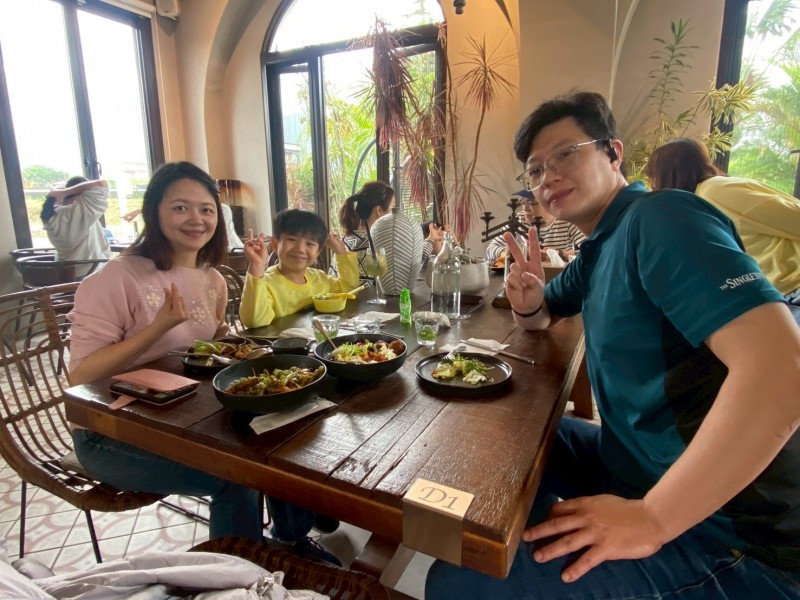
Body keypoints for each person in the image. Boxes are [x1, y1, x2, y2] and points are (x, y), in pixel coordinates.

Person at [425, 92, 800, 598]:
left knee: (460, 584)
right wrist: (528, 301)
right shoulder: (600, 247)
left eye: (565, 154)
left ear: (613, 152)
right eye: (535, 170)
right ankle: (532, 547)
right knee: (510, 440)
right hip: (635, 465)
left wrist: (653, 518)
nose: (547, 177)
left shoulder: (663, 218)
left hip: (734, 533)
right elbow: (544, 313)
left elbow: (783, 370)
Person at [67, 162, 339, 564]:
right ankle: (234, 579)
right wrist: (156, 329)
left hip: (185, 417)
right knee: (238, 476)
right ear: (154, 212)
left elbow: (209, 346)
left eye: (206, 209)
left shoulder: (212, 279)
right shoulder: (116, 277)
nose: (196, 219)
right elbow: (81, 376)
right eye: (180, 207)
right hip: (113, 432)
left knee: (290, 424)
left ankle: (289, 538)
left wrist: (238, 345)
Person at [646, 137, 800, 324]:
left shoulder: (714, 191)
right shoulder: (695, 204)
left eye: (653, 177)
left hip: (793, 288)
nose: (652, 186)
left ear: (670, 173)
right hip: (778, 294)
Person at [239, 208, 360, 328]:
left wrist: (341, 253)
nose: (300, 249)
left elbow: (349, 290)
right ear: (275, 244)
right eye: (292, 240)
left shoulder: (319, 278)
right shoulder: (267, 283)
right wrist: (257, 266)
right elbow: (255, 321)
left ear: (318, 252)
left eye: (310, 244)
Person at [484, 190, 584, 266]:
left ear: (549, 203)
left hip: (559, 277)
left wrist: (558, 254)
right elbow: (490, 250)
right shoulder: (519, 220)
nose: (525, 209)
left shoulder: (566, 220)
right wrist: (514, 252)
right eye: (523, 202)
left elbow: (589, 252)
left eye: (532, 203)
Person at [334, 181, 396, 286]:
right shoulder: (375, 243)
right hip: (363, 296)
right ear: (379, 210)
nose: (394, 214)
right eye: (392, 208)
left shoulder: (347, 238)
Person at [41, 176, 111, 266]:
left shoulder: (52, 215)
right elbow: (101, 184)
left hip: (68, 270)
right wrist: (64, 192)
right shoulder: (79, 212)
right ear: (82, 194)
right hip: (90, 270)